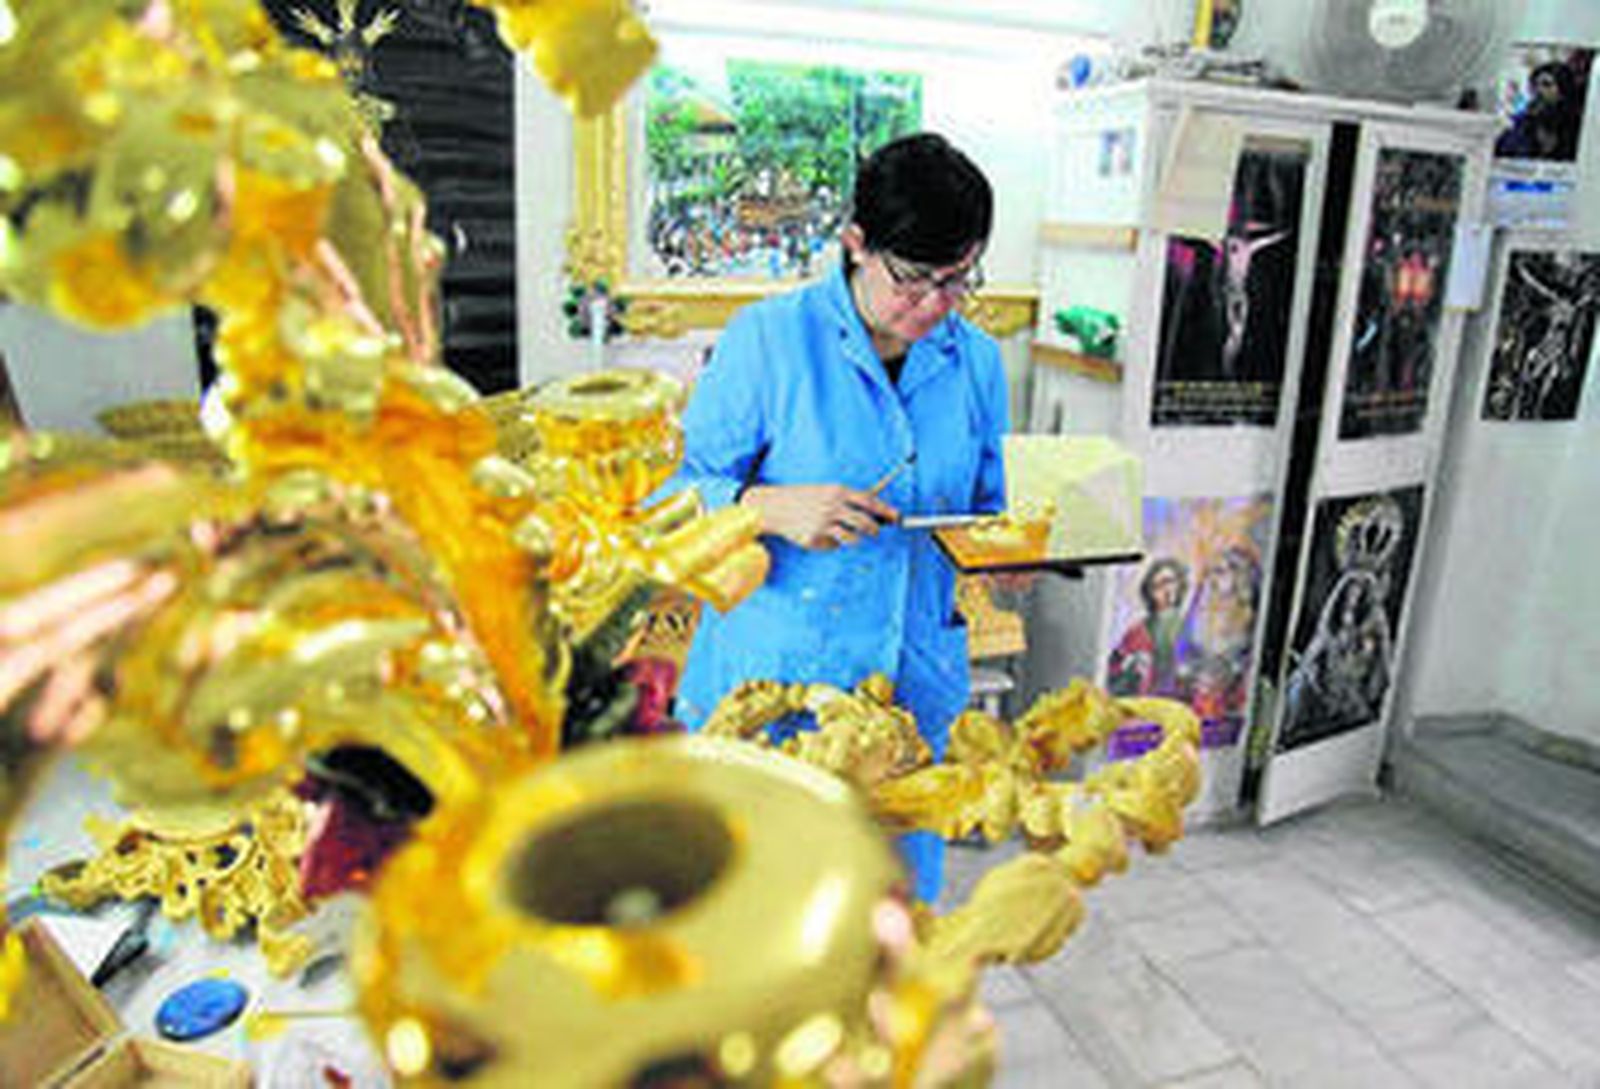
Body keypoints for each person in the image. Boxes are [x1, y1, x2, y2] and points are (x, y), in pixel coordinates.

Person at [658, 133, 1007, 902]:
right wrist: (764, 507)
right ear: (855, 244)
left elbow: (988, 505)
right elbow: (667, 501)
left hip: (912, 684)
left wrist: (1024, 543)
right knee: (766, 916)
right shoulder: (768, 340)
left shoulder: (976, 360)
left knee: (890, 915)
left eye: (959, 280)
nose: (936, 306)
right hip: (779, 682)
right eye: (915, 279)